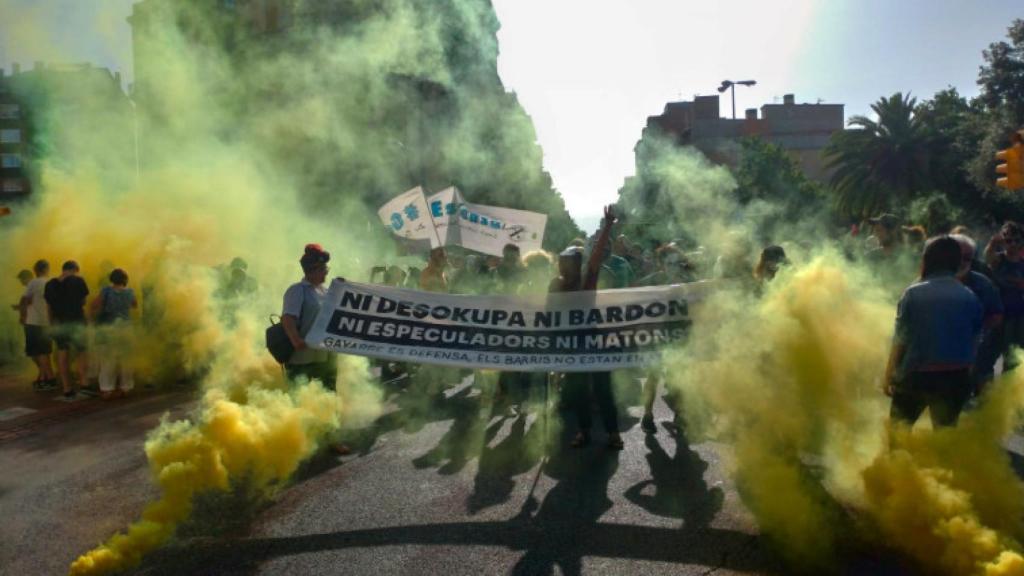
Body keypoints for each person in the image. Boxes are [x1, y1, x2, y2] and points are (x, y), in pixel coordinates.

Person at [884, 236, 983, 428]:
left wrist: (889, 374)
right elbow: (974, 341)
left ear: (927, 259)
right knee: (944, 435)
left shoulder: (913, 293)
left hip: (917, 375)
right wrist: (969, 375)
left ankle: (899, 459)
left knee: (898, 431)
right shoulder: (970, 297)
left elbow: (901, 339)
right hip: (956, 376)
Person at [550, 205, 623, 449]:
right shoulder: (555, 285)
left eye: (568, 262)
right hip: (571, 343)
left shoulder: (586, 279)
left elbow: (596, 256)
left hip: (595, 341)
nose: (564, 266)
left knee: (603, 389)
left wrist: (607, 226)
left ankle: (613, 433)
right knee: (578, 390)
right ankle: (584, 431)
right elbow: (549, 313)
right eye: (562, 262)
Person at [952, 234, 1003, 394]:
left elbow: (997, 314)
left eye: (967, 257)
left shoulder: (983, 284)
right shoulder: (930, 281)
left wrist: (978, 331)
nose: (961, 262)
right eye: (957, 256)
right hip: (939, 357)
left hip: (976, 353)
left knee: (981, 392)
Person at [44, 261, 90, 398]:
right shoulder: (79, 281)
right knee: (82, 351)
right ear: (74, 269)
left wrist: (52, 323)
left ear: (63, 269)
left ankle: (67, 388)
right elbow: (83, 302)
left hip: (60, 323)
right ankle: (84, 383)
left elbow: (49, 308)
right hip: (77, 322)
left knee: (63, 354)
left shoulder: (50, 284)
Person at [90, 268, 138, 399]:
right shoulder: (130, 292)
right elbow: (134, 305)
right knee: (126, 359)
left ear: (112, 279)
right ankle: (126, 387)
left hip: (109, 329)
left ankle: (107, 389)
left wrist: (93, 317)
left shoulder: (106, 291)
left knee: (108, 360)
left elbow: (95, 304)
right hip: (126, 328)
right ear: (125, 280)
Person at [984, 222, 1024, 371]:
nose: (1012, 244)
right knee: (987, 357)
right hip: (998, 314)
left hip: (1018, 316)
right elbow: (988, 258)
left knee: (1013, 358)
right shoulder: (999, 260)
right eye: (1008, 240)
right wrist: (993, 243)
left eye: (1017, 240)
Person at [18, 260, 55, 390]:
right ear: (47, 269)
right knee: (45, 352)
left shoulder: (34, 282)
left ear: (35, 270)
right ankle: (45, 377)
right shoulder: (51, 282)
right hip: (47, 322)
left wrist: (22, 316)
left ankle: (49, 379)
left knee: (38, 352)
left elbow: (25, 300)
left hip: (33, 322)